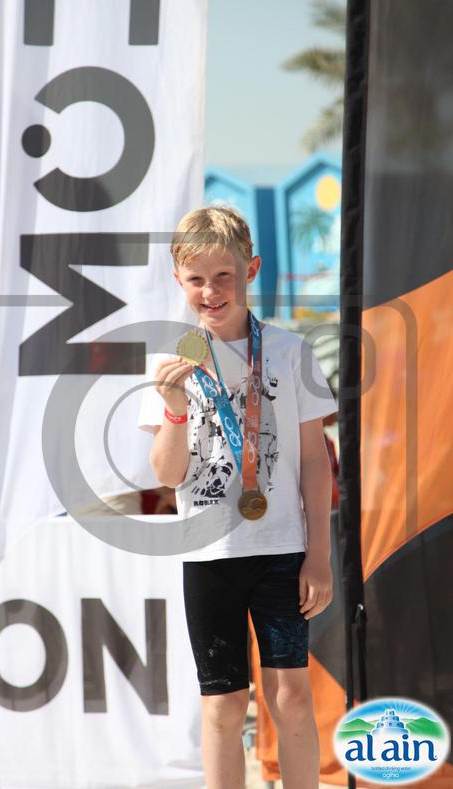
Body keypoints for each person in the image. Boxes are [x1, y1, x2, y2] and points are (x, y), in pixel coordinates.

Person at [137, 206, 337, 789]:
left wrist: (319, 555)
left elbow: (315, 460)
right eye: (196, 278)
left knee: (291, 695)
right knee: (224, 706)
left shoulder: (289, 351)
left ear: (250, 269)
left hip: (282, 550)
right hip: (210, 555)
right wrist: (175, 407)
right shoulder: (169, 361)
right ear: (178, 279)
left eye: (223, 275)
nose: (210, 291)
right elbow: (168, 474)